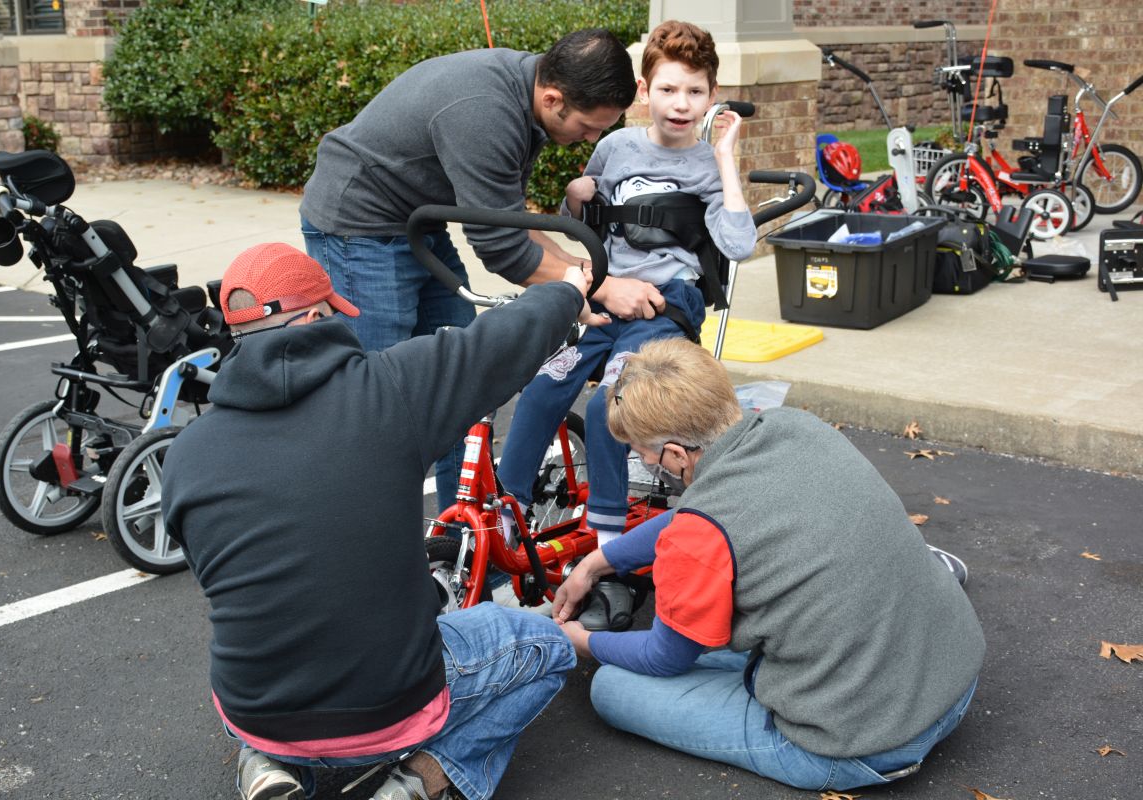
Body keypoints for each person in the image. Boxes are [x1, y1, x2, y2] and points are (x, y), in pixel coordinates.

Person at [161, 242, 600, 800]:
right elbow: (496, 342)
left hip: (253, 706)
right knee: (547, 646)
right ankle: (418, 782)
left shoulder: (185, 452)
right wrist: (569, 290)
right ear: (315, 318)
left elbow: (216, 571)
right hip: (389, 709)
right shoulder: (389, 390)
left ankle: (265, 762)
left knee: (264, 643)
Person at [551, 337, 985, 793]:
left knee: (613, 687)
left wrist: (583, 641)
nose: (642, 461)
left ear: (676, 454)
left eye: (642, 452)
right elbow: (699, 513)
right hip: (951, 681)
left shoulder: (698, 534)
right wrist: (596, 563)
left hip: (861, 742)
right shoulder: (796, 426)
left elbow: (664, 658)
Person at [300, 28, 638, 511]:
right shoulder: (486, 113)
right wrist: (597, 289)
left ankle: (461, 535)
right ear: (553, 98)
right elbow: (503, 250)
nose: (591, 138)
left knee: (463, 379)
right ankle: (362, 535)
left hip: (418, 222)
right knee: (377, 399)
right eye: (588, 126)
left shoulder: (529, 93)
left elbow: (509, 222)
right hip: (358, 226)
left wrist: (585, 275)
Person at [495, 20, 757, 628]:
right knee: (544, 384)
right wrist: (576, 196)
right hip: (609, 297)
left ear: (712, 95)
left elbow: (739, 244)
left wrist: (724, 159)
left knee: (615, 400)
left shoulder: (706, 163)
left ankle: (608, 548)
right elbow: (580, 223)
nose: (681, 104)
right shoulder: (615, 149)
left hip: (666, 306)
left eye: (695, 91)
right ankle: (510, 511)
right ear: (644, 91)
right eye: (668, 89)